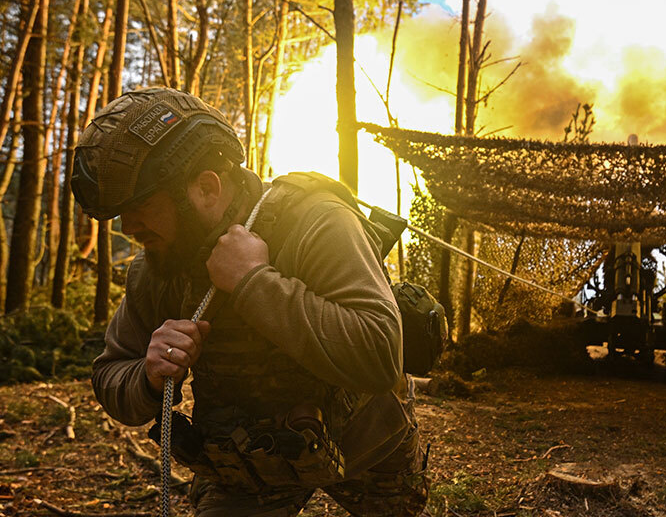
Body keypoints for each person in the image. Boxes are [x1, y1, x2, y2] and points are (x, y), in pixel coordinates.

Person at [71, 87, 428, 516]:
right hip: (251, 465)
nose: (129, 226)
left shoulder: (318, 221)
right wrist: (147, 376)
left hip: (366, 446)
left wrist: (253, 281)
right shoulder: (158, 266)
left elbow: (380, 355)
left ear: (205, 188)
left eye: (142, 205)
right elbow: (110, 371)